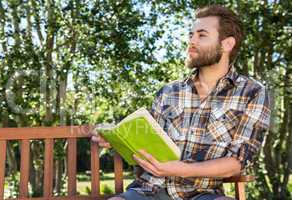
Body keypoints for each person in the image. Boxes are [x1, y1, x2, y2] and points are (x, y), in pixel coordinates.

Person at [91, 5, 271, 200]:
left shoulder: (252, 92)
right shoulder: (169, 91)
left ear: (226, 44)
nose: (191, 41)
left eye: (201, 35)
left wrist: (183, 169)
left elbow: (237, 162)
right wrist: (115, 138)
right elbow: (147, 139)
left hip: (204, 193)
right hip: (148, 190)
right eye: (191, 35)